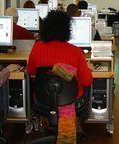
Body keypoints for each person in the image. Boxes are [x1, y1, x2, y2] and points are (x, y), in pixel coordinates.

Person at [27, 11, 93, 143]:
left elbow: (30, 71)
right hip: (70, 101)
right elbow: (86, 81)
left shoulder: (37, 48)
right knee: (87, 87)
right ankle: (76, 122)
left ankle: (46, 122)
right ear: (66, 29)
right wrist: (88, 69)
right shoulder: (76, 51)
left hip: (42, 100)